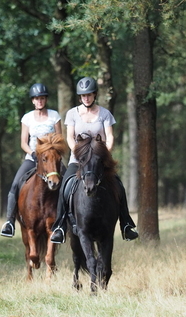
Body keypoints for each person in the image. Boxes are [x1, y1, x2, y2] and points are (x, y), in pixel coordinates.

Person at [50, 77, 138, 244]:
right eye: (83, 96)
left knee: (118, 186)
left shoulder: (104, 114)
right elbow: (69, 137)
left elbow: (110, 137)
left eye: (89, 95)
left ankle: (126, 224)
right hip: (78, 161)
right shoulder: (72, 114)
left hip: (100, 161)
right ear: (79, 97)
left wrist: (103, 153)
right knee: (64, 187)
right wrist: (78, 153)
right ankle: (60, 226)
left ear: (95, 95)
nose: (86, 98)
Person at [0, 83, 62, 237]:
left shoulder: (54, 116)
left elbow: (59, 139)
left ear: (45, 99)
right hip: (32, 158)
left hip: (51, 160)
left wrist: (53, 153)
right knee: (15, 185)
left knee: (67, 183)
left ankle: (66, 222)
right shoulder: (27, 118)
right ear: (33, 101)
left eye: (42, 98)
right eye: (36, 99)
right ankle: (9, 222)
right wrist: (33, 153)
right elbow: (23, 142)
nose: (39, 101)